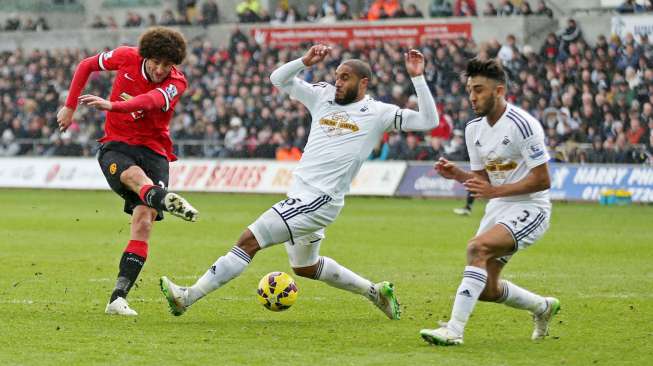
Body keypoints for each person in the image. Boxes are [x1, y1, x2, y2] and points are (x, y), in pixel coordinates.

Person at [159, 44, 439, 320]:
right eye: (337, 76)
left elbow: (428, 120)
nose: (337, 82)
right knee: (306, 267)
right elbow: (277, 79)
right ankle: (375, 292)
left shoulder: (379, 113)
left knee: (248, 241)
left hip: (319, 200)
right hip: (301, 194)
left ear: (363, 83)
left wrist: (417, 77)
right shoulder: (322, 96)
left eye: (345, 78)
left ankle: (187, 297)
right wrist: (304, 61)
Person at [56, 27, 199, 316]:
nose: (160, 69)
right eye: (155, 62)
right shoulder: (125, 56)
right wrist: (70, 106)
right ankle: (163, 199)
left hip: (155, 151)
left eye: (166, 65)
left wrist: (112, 105)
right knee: (135, 177)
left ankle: (117, 298)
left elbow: (149, 101)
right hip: (117, 146)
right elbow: (86, 65)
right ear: (145, 56)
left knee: (144, 222)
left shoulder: (176, 83)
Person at [420, 58, 559, 346]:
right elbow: (484, 181)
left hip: (530, 207)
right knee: (488, 289)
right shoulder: (473, 130)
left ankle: (454, 330)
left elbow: (543, 180)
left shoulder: (523, 124)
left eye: (479, 90)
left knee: (477, 248)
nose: (472, 96)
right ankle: (542, 307)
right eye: (470, 90)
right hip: (499, 208)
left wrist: (498, 191)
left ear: (499, 91)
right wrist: (458, 174)